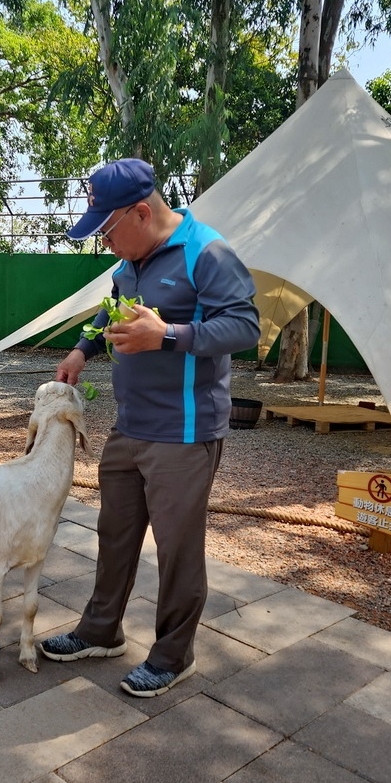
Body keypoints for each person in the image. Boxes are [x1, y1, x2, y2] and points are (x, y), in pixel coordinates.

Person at [40, 157, 260, 697]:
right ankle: (101, 631)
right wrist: (82, 349)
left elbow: (245, 325)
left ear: (142, 212)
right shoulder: (129, 263)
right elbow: (111, 308)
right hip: (130, 426)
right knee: (115, 533)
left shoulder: (205, 251)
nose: (106, 244)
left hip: (184, 433)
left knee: (177, 548)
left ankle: (172, 655)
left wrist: (168, 335)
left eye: (108, 232)